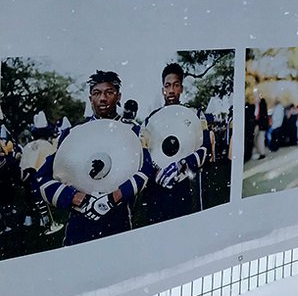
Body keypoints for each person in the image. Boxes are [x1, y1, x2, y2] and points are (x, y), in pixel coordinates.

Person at [33, 70, 153, 246]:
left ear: (118, 97)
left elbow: (146, 169)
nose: (102, 98)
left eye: (109, 92)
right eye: (97, 93)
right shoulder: (73, 135)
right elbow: (42, 178)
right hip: (80, 224)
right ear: (90, 99)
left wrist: (114, 197)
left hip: (118, 221)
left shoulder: (133, 133)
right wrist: (75, 197)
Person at [136, 63, 211, 226]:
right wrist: (156, 173)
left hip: (183, 184)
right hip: (156, 189)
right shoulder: (150, 119)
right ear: (163, 88)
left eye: (176, 85)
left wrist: (181, 165)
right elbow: (143, 154)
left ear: (181, 88)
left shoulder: (195, 114)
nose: (171, 90)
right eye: (167, 86)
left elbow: (205, 149)